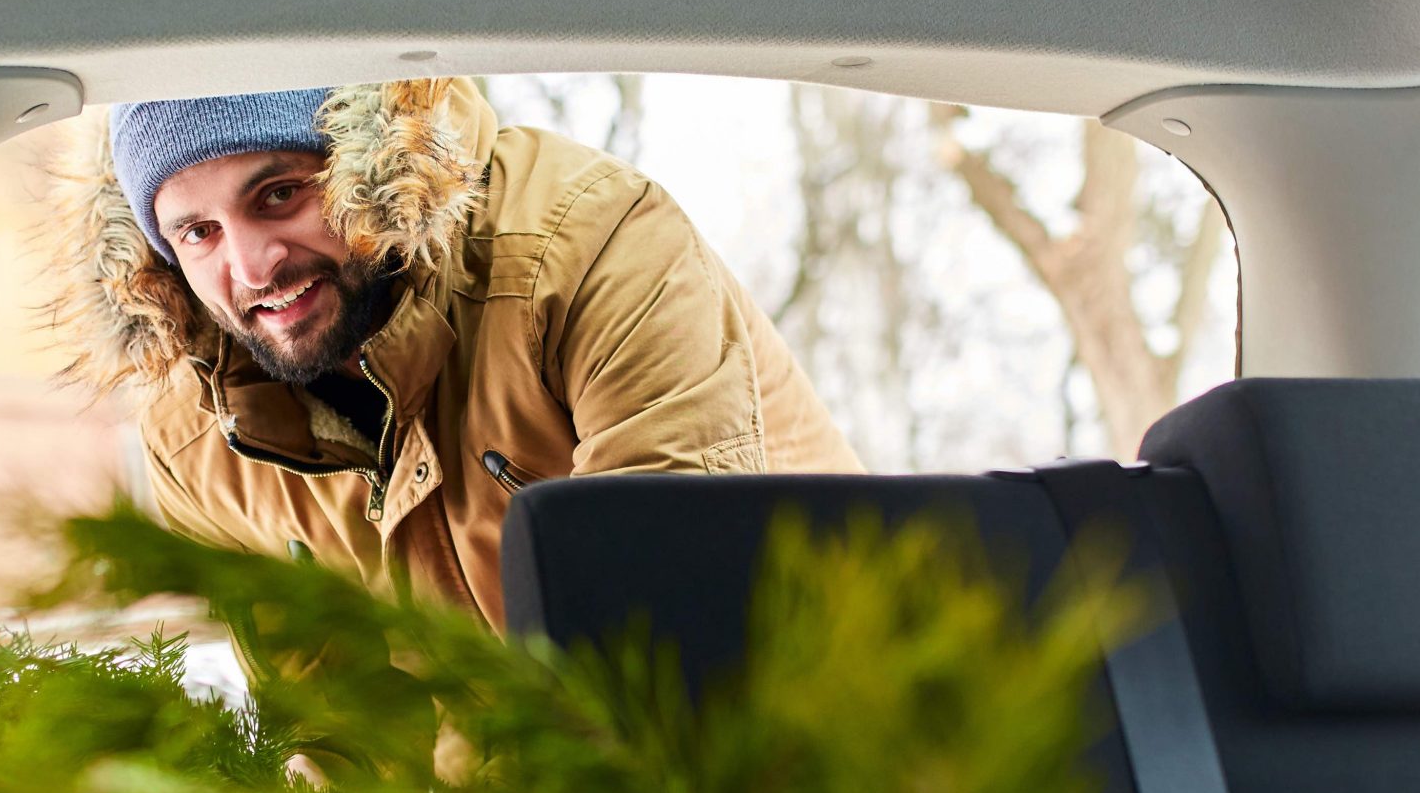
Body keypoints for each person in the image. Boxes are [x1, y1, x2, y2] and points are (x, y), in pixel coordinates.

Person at [52, 77, 861, 629]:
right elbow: (333, 722)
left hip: (824, 732)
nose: (252, 267)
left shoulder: (584, 247)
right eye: (199, 232)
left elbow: (682, 616)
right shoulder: (194, 437)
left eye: (281, 195)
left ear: (367, 168)